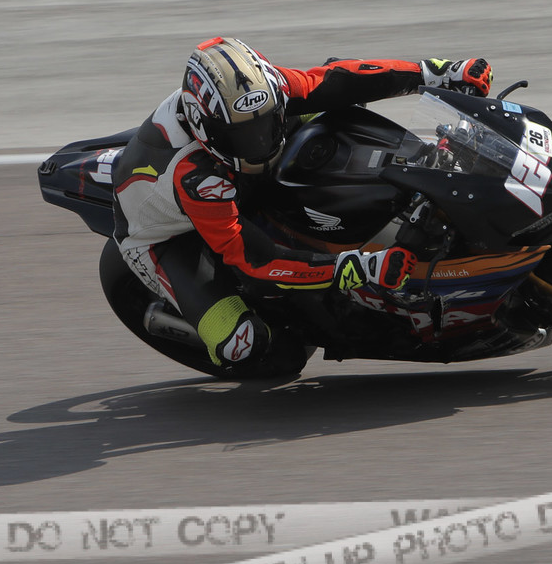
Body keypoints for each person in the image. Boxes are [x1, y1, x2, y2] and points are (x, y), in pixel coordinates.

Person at [111, 37, 493, 370]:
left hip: (237, 182)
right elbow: (255, 260)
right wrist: (353, 267)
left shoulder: (264, 91)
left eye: (265, 125)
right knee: (240, 345)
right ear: (204, 128)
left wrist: (437, 73)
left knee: (333, 96)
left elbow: (340, 79)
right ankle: (207, 322)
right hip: (169, 239)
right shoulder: (196, 176)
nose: (260, 143)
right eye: (243, 136)